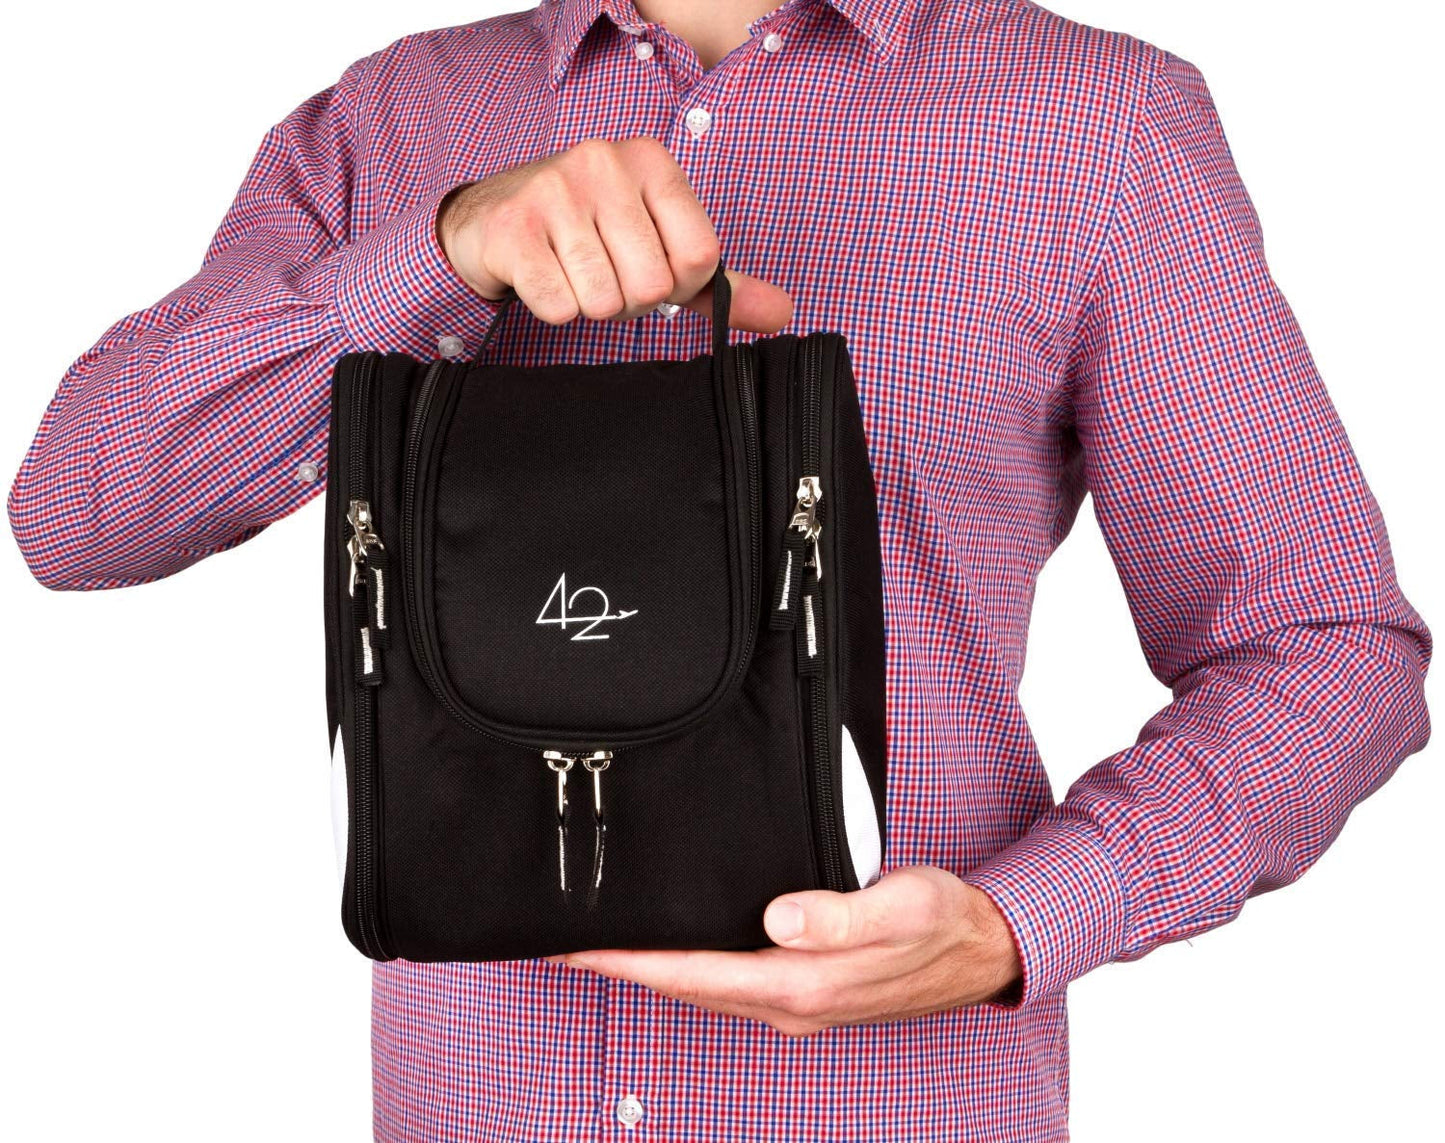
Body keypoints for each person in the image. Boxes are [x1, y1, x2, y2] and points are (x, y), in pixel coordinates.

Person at [7, 0, 1432, 1138]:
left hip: (900, 1110)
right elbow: (81, 513)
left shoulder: (1097, 123)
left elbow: (1325, 647)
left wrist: (1022, 920)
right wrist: (443, 253)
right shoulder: (391, 121)